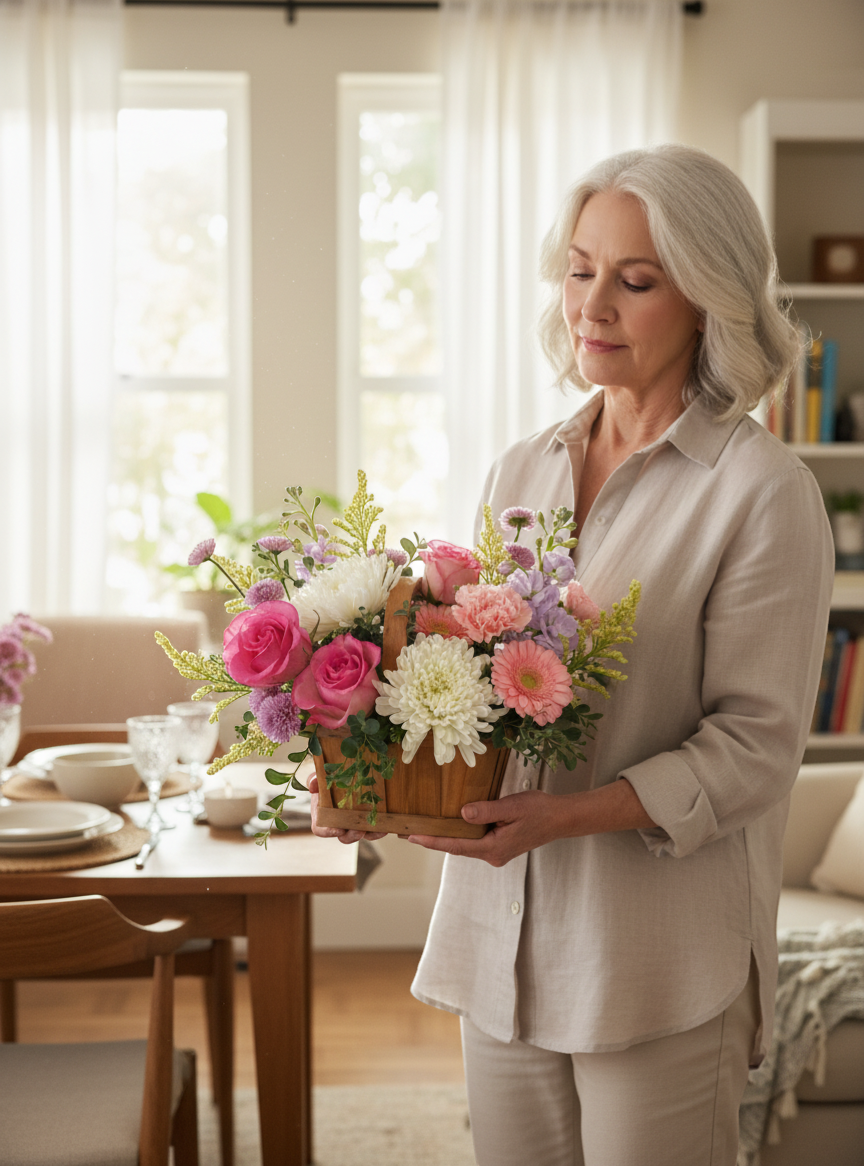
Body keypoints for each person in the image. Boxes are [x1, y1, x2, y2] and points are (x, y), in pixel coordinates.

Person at [310, 144, 834, 1166]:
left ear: (708, 301)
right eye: (580, 267)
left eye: (636, 281)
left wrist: (571, 815)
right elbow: (482, 688)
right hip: (500, 943)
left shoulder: (763, 492)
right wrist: (380, 777)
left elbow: (756, 747)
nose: (594, 302)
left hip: (658, 958)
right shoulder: (524, 467)